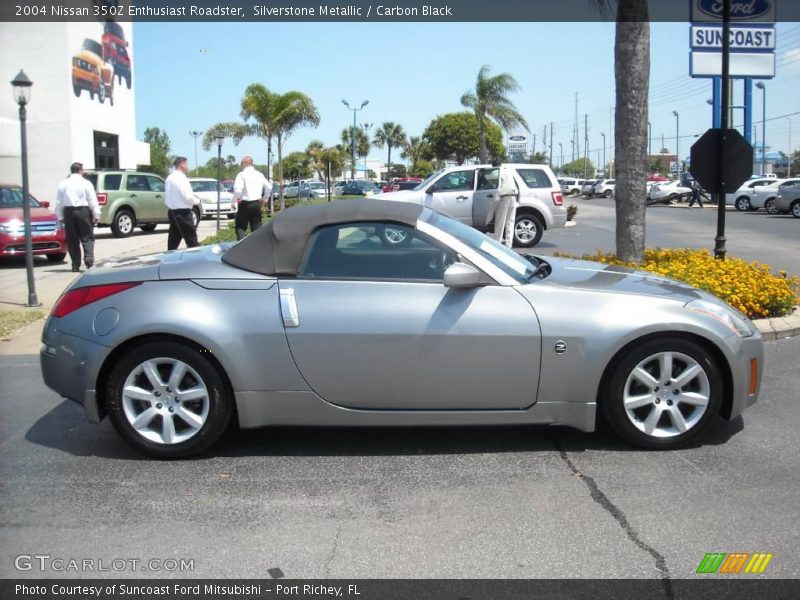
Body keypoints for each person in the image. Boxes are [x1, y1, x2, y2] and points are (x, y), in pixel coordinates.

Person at [55, 162, 100, 272]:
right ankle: (89, 261)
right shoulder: (86, 183)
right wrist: (96, 214)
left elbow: (59, 202)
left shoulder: (63, 184)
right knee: (87, 237)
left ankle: (75, 265)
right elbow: (92, 200)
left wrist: (60, 217)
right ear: (81, 170)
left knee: (72, 239)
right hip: (83, 211)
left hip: (68, 212)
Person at [164, 156, 200, 250]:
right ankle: (197, 260)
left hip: (172, 212)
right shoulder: (181, 178)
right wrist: (197, 201)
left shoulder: (169, 178)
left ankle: (169, 259)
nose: (188, 166)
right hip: (183, 213)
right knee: (192, 240)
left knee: (173, 240)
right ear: (182, 164)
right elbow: (187, 197)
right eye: (186, 164)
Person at [233, 156, 272, 240]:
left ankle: (242, 247)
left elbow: (238, 190)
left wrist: (237, 199)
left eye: (241, 163)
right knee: (257, 228)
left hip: (245, 203)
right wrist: (264, 198)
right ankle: (258, 248)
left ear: (244, 163)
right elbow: (269, 187)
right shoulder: (259, 174)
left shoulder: (241, 175)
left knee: (240, 227)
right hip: (256, 203)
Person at [492, 165, 518, 248]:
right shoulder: (508, 170)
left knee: (500, 221)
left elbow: (495, 184)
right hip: (513, 196)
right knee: (510, 221)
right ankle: (508, 244)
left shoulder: (497, 171)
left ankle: (497, 243)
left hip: (504, 197)